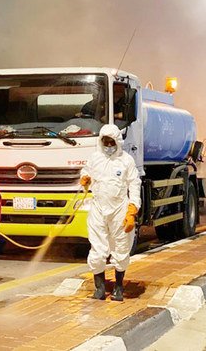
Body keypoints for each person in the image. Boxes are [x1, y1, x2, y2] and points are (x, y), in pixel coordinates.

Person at [80, 124, 141, 301]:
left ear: (117, 142)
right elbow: (86, 174)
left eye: (111, 142)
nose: (108, 145)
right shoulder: (94, 159)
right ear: (100, 141)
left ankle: (119, 287)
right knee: (97, 249)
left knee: (121, 248)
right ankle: (99, 288)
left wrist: (132, 209)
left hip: (119, 210)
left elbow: (134, 184)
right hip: (98, 209)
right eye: (105, 142)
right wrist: (84, 180)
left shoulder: (126, 160)